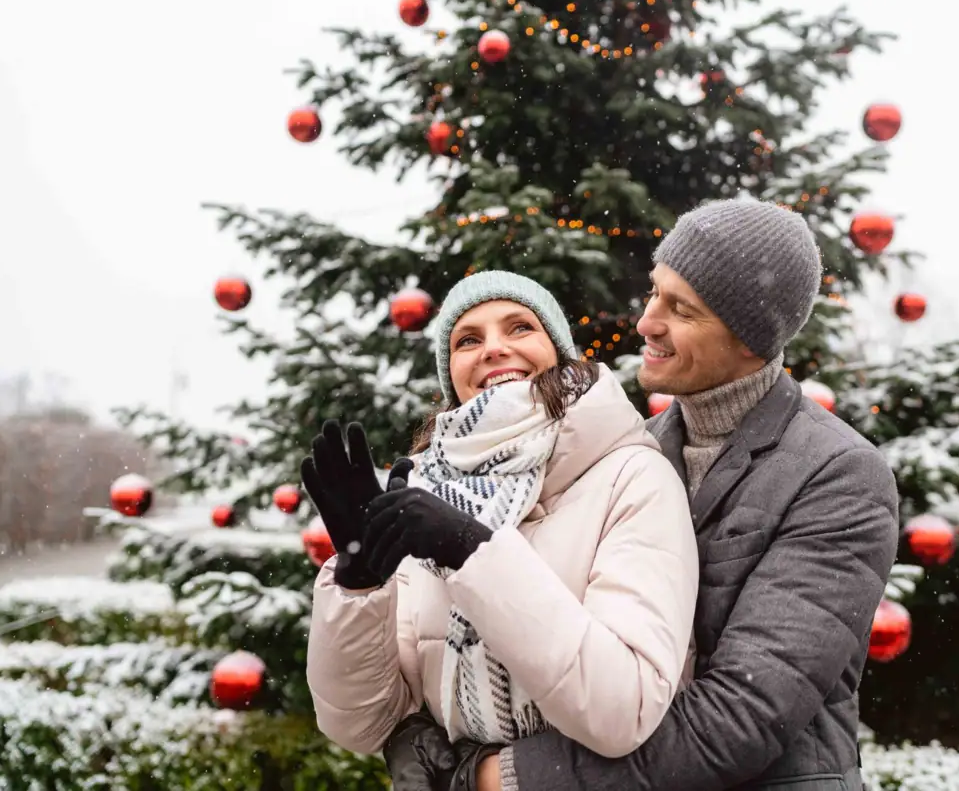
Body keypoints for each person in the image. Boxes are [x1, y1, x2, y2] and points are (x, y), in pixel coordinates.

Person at [386, 198, 901, 791]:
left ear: (751, 340)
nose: (646, 322)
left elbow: (739, 718)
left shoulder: (837, 475)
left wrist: (496, 776)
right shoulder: (627, 452)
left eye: (681, 309)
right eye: (655, 291)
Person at [301, 271, 700, 780]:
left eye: (519, 328)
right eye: (468, 339)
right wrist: (359, 585)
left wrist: (473, 552)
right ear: (452, 373)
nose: (493, 349)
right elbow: (362, 725)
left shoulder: (632, 476)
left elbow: (623, 710)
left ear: (558, 350)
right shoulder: (423, 496)